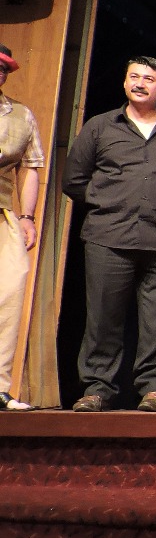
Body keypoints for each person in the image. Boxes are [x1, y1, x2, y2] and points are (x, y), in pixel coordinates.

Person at [64, 56, 156, 413]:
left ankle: (154, 389)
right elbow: (74, 180)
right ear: (125, 83)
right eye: (134, 77)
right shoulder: (100, 126)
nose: (140, 83)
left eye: (149, 79)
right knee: (102, 319)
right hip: (108, 237)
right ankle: (97, 389)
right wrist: (109, 202)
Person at [0, 45, 44, 411]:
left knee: (10, 293)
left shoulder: (20, 115)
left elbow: (30, 167)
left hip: (2, 213)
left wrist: (27, 217)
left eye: (4, 68)